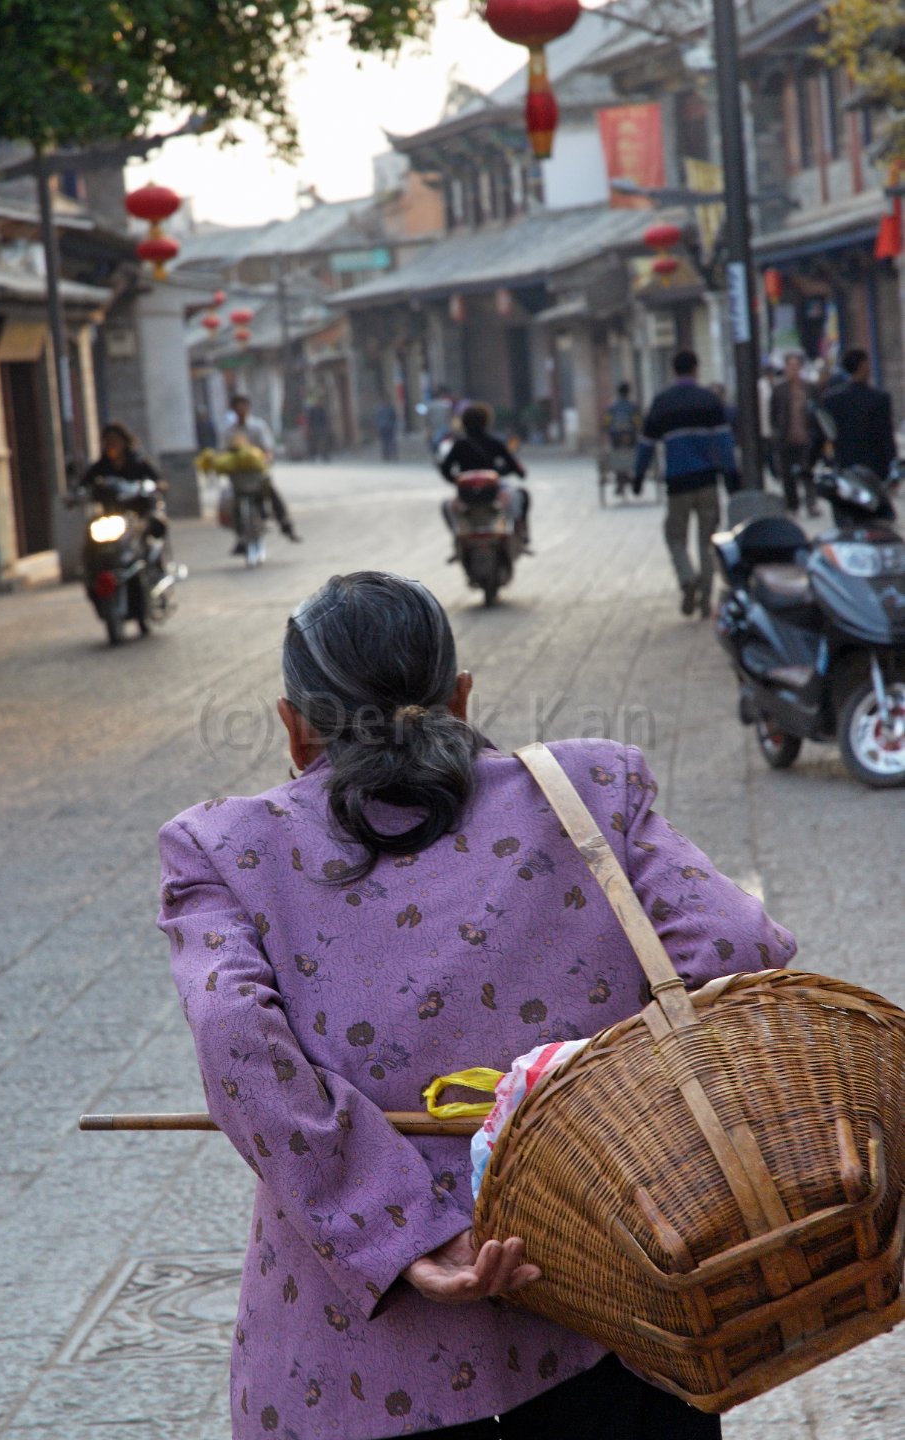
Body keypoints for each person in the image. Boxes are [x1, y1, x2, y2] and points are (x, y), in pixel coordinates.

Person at [158, 570, 797, 1440]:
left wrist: (403, 1230)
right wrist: (583, 1095)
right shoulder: (589, 788)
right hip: (614, 1307)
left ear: (295, 727)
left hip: (362, 1376)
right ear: (460, 697)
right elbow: (736, 947)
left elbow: (236, 1039)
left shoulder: (223, 847)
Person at [633, 351, 739, 619]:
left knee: (674, 536)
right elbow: (725, 442)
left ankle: (686, 577)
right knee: (707, 541)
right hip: (707, 482)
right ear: (695, 369)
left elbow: (646, 444)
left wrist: (638, 476)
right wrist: (731, 476)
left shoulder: (662, 402)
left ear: (673, 370)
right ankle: (705, 600)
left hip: (677, 484)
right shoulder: (709, 400)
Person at [439, 402, 531, 554]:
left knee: (446, 506)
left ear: (464, 423)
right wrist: (505, 471)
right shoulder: (495, 442)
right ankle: (522, 534)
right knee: (523, 495)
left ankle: (457, 540)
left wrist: (458, 480)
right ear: (487, 422)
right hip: (495, 493)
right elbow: (514, 466)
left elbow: (445, 470)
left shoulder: (459, 445)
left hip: (466, 496)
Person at [80, 421, 168, 559]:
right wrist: (75, 494)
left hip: (138, 512)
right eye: (108, 441)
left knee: (155, 526)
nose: (112, 445)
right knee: (91, 533)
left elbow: (157, 480)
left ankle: (154, 560)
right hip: (111, 514)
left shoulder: (137, 461)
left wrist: (158, 485)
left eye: (115, 440)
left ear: (124, 441)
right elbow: (84, 483)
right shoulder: (101, 465)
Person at [224, 395, 302, 545]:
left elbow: (267, 448)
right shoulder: (229, 431)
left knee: (272, 494)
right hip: (238, 476)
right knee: (233, 503)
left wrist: (266, 457)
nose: (241, 411)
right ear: (233, 410)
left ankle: (286, 525)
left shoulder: (258, 427)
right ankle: (239, 537)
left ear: (248, 408)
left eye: (243, 408)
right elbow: (224, 452)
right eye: (237, 409)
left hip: (256, 473)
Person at [817, 348, 897, 482]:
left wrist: (812, 463)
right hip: (876, 471)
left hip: (845, 469)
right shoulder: (879, 399)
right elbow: (886, 437)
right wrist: (893, 466)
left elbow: (821, 435)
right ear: (863, 366)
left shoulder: (831, 400)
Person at [770, 354, 820, 518]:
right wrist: (777, 434)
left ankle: (811, 503)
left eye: (796, 366)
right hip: (786, 438)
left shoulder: (809, 388)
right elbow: (774, 415)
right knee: (788, 476)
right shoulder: (779, 390)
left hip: (806, 437)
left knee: (807, 472)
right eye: (790, 367)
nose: (793, 370)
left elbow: (817, 411)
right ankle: (793, 504)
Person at [602, 382, 642, 496]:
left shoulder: (612, 407)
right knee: (632, 454)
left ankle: (621, 479)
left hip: (616, 439)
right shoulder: (633, 407)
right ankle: (627, 477)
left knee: (616, 455)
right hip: (630, 439)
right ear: (628, 392)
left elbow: (605, 424)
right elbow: (639, 424)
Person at [305, 397, 332, 462]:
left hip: (321, 428)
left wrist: (325, 427)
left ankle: (324, 456)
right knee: (313, 443)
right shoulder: (312, 410)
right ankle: (312, 456)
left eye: (319, 401)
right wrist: (310, 428)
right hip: (314, 428)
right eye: (317, 401)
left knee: (323, 443)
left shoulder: (322, 410)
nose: (318, 403)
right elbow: (310, 419)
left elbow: (325, 419)